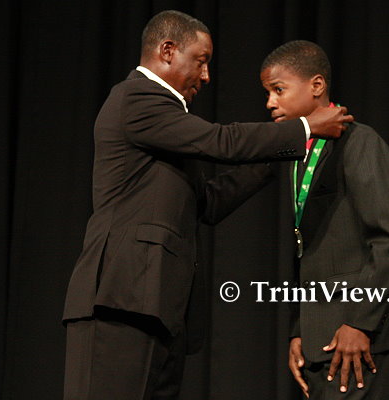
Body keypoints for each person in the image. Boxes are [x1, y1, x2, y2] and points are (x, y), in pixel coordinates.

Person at [62, 11, 352, 400]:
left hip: (156, 305)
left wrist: (275, 158)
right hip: (120, 300)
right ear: (167, 51)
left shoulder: (165, 122)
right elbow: (221, 141)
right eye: (200, 61)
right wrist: (304, 128)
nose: (206, 76)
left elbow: (208, 203)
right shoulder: (136, 98)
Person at [260, 40, 389, 399]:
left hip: (358, 337)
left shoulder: (359, 143)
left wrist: (360, 323)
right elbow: (312, 253)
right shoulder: (299, 155)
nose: (270, 103)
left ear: (316, 85)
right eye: (267, 93)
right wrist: (300, 329)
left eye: (278, 90)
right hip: (321, 338)